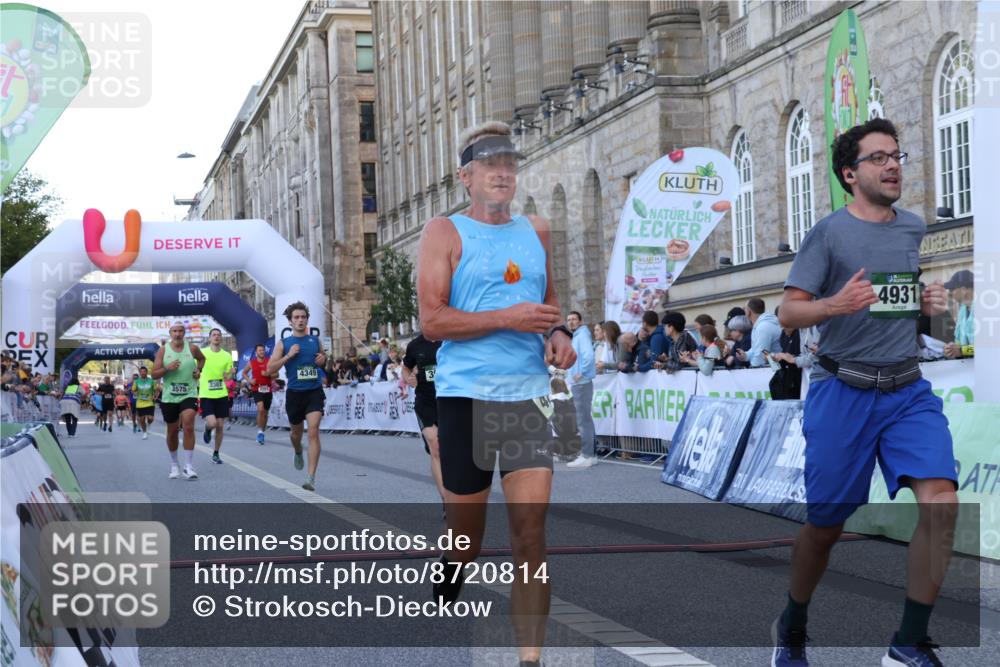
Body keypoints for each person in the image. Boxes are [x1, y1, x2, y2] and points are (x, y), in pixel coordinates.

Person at [773, 118, 955, 667]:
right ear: (851, 174)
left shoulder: (913, 228)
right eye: (878, 158)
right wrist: (832, 306)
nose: (893, 164)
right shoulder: (828, 233)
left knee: (942, 506)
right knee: (825, 527)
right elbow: (788, 310)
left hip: (906, 390)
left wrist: (923, 305)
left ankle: (906, 644)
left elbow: (891, 301)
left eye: (896, 155)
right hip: (843, 391)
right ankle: (793, 623)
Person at [416, 121, 576, 667]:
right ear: (467, 177)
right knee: (468, 538)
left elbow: (549, 302)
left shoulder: (537, 230)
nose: (502, 170)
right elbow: (432, 322)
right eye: (489, 163)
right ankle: (453, 562)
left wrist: (558, 335)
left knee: (530, 536)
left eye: (509, 161)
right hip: (467, 397)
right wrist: (507, 317)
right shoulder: (444, 232)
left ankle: (529, 659)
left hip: (528, 396)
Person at [268, 302, 327, 491]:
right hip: (294, 394)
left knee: (313, 431)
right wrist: (288, 356)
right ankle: (298, 450)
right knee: (296, 434)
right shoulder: (283, 344)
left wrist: (323, 361)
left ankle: (311, 477)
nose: (300, 320)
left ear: (307, 319)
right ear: (290, 321)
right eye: (296, 318)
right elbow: (270, 369)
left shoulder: (315, 341)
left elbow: (324, 362)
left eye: (303, 317)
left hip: (314, 392)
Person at [152, 322, 206, 480]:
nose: (177, 334)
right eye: (174, 331)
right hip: (170, 396)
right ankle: (174, 464)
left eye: (180, 331)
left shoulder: (193, 348)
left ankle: (188, 466)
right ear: (170, 333)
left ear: (184, 333)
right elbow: (154, 374)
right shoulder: (163, 350)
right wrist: (167, 368)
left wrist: (198, 370)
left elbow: (202, 359)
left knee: (188, 424)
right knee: (173, 431)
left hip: (189, 393)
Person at [401, 332, 446, 505]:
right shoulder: (415, 345)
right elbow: (406, 368)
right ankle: (446, 500)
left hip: (449, 401)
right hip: (425, 402)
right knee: (435, 447)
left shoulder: (450, 339)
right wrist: (409, 378)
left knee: (451, 451)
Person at [565, 311, 597, 469]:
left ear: (581, 321)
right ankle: (591, 454)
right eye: (569, 320)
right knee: (585, 419)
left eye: (574, 319)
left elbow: (589, 356)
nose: (571, 322)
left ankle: (587, 455)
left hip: (582, 382)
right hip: (580, 382)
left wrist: (581, 373)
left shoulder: (581, 335)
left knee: (583, 420)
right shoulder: (578, 335)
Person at [199, 328, 234, 465]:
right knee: (212, 423)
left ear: (221, 338)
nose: (216, 337)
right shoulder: (202, 353)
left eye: (219, 335)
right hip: (206, 394)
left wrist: (231, 373)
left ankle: (216, 453)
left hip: (221, 393)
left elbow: (226, 377)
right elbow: (195, 369)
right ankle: (207, 429)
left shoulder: (227, 356)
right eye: (214, 335)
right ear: (209, 339)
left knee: (220, 425)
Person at [242, 344, 273, 445]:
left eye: (263, 350)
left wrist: (268, 374)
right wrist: (250, 380)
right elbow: (244, 373)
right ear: (256, 352)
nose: (262, 352)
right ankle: (260, 431)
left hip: (268, 389)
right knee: (260, 409)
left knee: (266, 413)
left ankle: (262, 433)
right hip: (257, 389)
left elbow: (276, 374)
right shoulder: (252, 362)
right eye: (260, 350)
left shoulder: (270, 361)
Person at [942, 269, 974, 359]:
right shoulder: (963, 311)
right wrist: (952, 348)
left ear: (963, 290)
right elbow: (959, 343)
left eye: (952, 289)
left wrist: (961, 351)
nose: (950, 293)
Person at [745, 297, 782, 367]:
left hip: (775, 370)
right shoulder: (761, 325)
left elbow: (761, 353)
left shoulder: (763, 327)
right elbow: (757, 348)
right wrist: (746, 355)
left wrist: (753, 367)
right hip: (774, 368)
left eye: (745, 309)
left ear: (749, 311)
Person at [131, 366, 156, 440]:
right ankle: (144, 433)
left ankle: (149, 424)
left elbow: (156, 389)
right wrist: (135, 393)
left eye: (144, 371)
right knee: (142, 419)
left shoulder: (151, 381)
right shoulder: (137, 381)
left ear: (146, 372)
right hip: (140, 403)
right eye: (141, 372)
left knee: (150, 418)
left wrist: (155, 396)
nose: (143, 373)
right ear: (140, 373)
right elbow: (133, 390)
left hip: (149, 402)